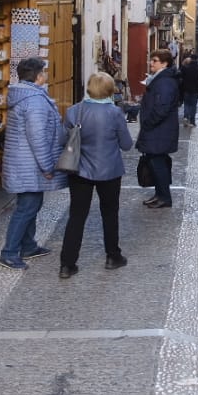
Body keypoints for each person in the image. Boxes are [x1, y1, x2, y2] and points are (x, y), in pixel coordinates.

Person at [58, 72, 134, 279]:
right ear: (110, 91)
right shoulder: (115, 113)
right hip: (109, 171)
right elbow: (126, 145)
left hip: (80, 170)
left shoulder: (74, 111)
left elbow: (62, 140)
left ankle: (67, 264)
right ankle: (113, 256)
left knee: (76, 215)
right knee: (109, 213)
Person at [0, 57, 66, 270]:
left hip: (23, 163)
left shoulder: (24, 96)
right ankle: (9, 253)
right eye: (44, 72)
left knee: (31, 204)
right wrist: (47, 167)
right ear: (39, 76)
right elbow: (38, 137)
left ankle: (28, 246)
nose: (45, 76)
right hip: (29, 164)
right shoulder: (34, 101)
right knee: (27, 207)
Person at [137, 49, 180, 209]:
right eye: (151, 60)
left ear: (164, 63)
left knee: (158, 163)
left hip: (160, 130)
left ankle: (164, 197)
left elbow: (162, 107)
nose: (151, 63)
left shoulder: (165, 82)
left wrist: (148, 123)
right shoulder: (160, 79)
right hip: (158, 130)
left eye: (154, 61)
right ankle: (159, 194)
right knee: (155, 163)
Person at [179, 54, 198, 127]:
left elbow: (180, 78)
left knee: (186, 104)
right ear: (197, 59)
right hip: (196, 89)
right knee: (193, 105)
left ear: (190, 59)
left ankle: (186, 117)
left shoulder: (185, 67)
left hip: (186, 89)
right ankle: (192, 121)